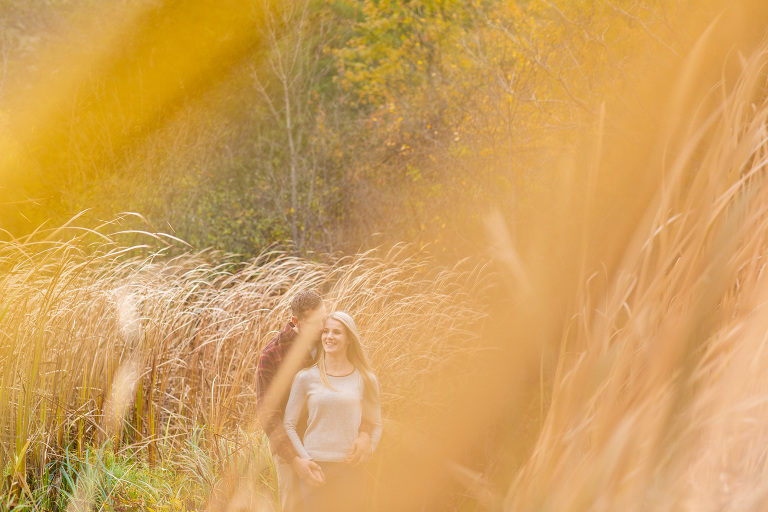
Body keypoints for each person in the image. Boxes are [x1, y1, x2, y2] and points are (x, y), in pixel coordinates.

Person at [256, 293, 374, 512]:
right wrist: (295, 461)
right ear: (295, 322)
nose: (324, 327)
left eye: (324, 317)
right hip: (291, 452)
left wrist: (365, 434)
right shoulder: (273, 355)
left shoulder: (329, 341)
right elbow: (268, 414)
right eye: (316, 323)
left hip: (336, 452)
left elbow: (359, 394)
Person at [283, 311, 383, 512]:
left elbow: (377, 424)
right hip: (315, 468)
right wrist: (306, 459)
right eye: (326, 331)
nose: (329, 337)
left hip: (351, 468)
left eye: (337, 332)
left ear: (348, 340)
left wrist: (369, 448)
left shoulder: (366, 379)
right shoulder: (306, 378)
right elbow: (289, 424)